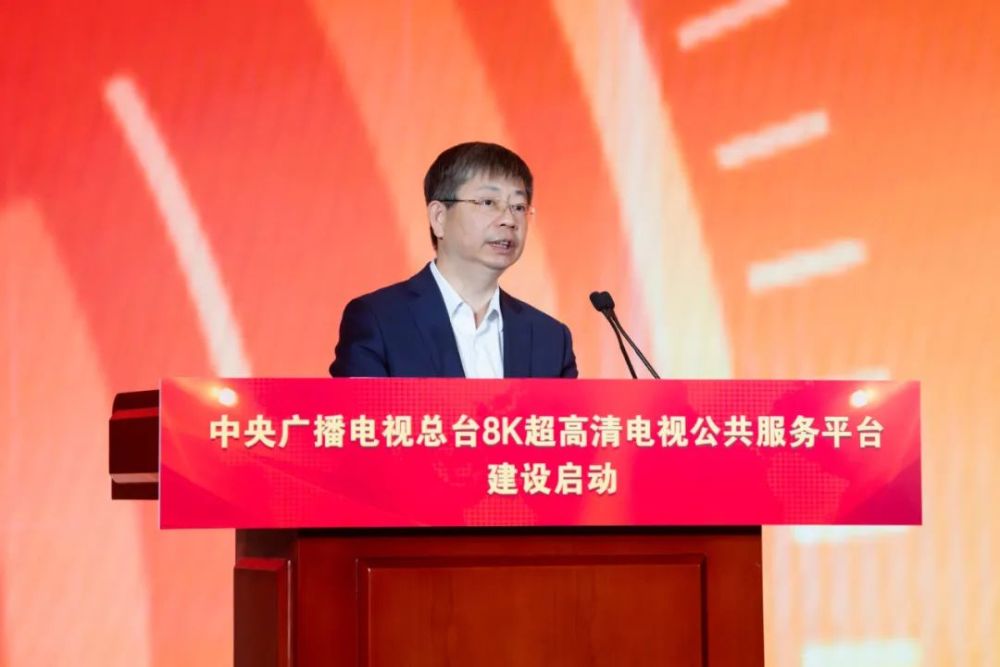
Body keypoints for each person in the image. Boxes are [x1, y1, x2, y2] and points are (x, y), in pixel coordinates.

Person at [329, 141, 577, 378]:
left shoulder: (551, 338)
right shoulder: (379, 320)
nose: (509, 220)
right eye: (488, 202)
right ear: (439, 217)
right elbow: (362, 409)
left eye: (519, 207)